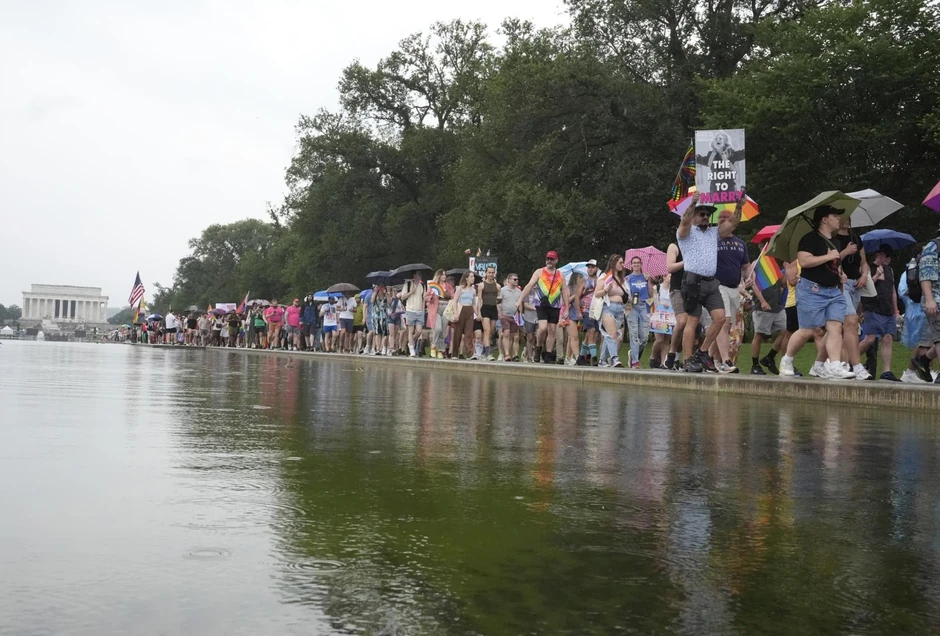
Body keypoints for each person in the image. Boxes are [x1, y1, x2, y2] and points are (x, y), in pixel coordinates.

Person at [779, 205, 856, 379]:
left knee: (835, 327)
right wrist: (828, 257)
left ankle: (835, 365)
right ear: (824, 219)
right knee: (807, 330)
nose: (839, 219)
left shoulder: (834, 241)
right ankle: (787, 360)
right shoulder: (809, 239)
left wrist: (840, 275)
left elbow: (833, 265)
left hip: (833, 291)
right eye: (835, 215)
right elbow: (804, 261)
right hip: (812, 290)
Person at [677, 191, 744, 372]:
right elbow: (684, 222)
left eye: (708, 214)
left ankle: (703, 352)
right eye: (702, 214)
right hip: (692, 281)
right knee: (693, 321)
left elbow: (732, 223)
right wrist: (692, 204)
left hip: (711, 282)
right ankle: (687, 360)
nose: (706, 217)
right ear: (694, 217)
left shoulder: (714, 232)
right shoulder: (686, 233)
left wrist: (738, 206)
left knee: (720, 318)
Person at [832, 215, 872, 379]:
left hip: (857, 285)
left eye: (849, 216)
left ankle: (837, 364)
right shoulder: (832, 239)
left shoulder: (856, 238)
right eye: (843, 217)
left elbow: (864, 262)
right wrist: (846, 252)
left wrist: (864, 276)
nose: (847, 219)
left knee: (849, 327)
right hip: (841, 284)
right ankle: (856, 366)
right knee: (851, 322)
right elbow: (831, 261)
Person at [712, 210, 750, 373]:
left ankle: (709, 357)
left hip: (734, 288)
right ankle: (725, 360)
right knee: (724, 321)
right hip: (717, 285)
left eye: (725, 218)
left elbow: (746, 266)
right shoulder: (712, 239)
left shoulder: (741, 244)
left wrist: (750, 278)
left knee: (725, 327)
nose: (721, 220)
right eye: (720, 218)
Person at [516, 250, 571, 363]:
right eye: (548, 259)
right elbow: (529, 285)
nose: (549, 261)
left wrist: (567, 308)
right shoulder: (539, 272)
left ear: (556, 260)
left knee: (552, 330)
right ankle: (539, 346)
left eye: (551, 259)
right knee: (543, 328)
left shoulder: (560, 275)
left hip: (555, 305)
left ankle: (548, 354)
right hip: (541, 304)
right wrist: (520, 300)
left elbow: (565, 291)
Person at [859, 245, 900, 381]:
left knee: (887, 338)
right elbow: (863, 287)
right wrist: (876, 275)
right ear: (880, 255)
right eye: (886, 256)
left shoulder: (890, 270)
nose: (889, 259)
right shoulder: (868, 269)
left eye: (890, 256)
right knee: (870, 339)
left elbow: (893, 290)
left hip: (887, 309)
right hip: (873, 308)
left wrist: (896, 310)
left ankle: (886, 372)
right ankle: (850, 361)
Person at [911, 229, 940, 384]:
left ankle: (923, 360)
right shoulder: (933, 247)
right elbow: (925, 275)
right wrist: (929, 300)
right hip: (935, 299)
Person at [749, 267, 787, 375]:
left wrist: (789, 269)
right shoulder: (757, 264)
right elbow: (753, 284)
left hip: (777, 307)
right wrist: (762, 301)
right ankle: (755, 365)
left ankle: (770, 357)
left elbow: (782, 284)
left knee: (786, 331)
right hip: (763, 307)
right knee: (759, 335)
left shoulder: (773, 264)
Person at [595, 254, 629, 368]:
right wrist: (605, 289)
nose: (622, 265)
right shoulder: (605, 277)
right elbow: (597, 293)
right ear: (614, 263)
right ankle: (614, 359)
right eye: (620, 262)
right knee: (612, 335)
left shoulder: (622, 279)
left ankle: (602, 360)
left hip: (620, 310)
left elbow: (627, 295)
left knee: (613, 335)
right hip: (608, 308)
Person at [626, 256, 654, 368]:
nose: (636, 264)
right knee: (634, 335)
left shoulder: (646, 277)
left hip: (645, 306)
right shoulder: (627, 279)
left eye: (638, 262)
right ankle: (635, 362)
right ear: (631, 265)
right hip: (632, 306)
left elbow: (651, 294)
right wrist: (629, 300)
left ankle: (632, 355)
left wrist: (649, 281)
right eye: (634, 263)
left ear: (641, 264)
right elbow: (625, 294)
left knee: (644, 338)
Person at [664, 243, 687, 371]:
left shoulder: (697, 246)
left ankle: (682, 358)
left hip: (694, 290)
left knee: (693, 327)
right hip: (677, 289)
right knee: (682, 321)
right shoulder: (674, 246)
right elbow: (670, 267)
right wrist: (686, 261)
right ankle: (672, 353)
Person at [576, 259, 600, 366]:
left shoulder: (600, 280)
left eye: (592, 267)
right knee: (591, 331)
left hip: (596, 310)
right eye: (589, 267)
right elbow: (577, 297)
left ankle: (581, 357)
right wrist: (578, 312)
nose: (590, 269)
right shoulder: (583, 280)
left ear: (597, 268)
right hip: (585, 309)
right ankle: (594, 358)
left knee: (592, 335)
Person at [476, 266, 501, 361]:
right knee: (486, 330)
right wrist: (479, 313)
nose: (491, 274)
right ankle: (488, 352)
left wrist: (500, 312)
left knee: (491, 331)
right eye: (489, 272)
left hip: (493, 309)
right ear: (486, 273)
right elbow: (479, 300)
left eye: (492, 272)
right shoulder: (481, 285)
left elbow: (499, 301)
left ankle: (483, 351)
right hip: (485, 308)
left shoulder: (498, 286)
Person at [450, 271, 477, 359]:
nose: (473, 278)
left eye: (473, 276)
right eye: (471, 276)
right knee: (458, 333)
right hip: (461, 309)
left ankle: (470, 353)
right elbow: (454, 301)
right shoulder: (460, 288)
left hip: (469, 310)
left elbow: (473, 303)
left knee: (469, 333)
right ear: (466, 278)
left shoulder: (473, 290)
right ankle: (454, 353)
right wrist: (456, 313)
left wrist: (478, 313)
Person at [425, 270, 451, 359]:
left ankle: (440, 350)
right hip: (436, 309)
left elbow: (453, 297)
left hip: (446, 309)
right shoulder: (433, 286)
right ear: (438, 276)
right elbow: (426, 297)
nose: (444, 276)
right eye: (442, 274)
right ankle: (433, 346)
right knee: (438, 329)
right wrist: (431, 295)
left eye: (445, 274)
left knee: (443, 332)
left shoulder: (448, 286)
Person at [399, 272, 426, 357]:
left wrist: (423, 309)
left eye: (420, 275)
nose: (419, 276)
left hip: (419, 311)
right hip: (410, 310)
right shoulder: (408, 285)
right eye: (418, 275)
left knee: (419, 331)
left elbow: (424, 298)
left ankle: (411, 342)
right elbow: (403, 297)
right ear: (414, 276)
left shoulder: (423, 285)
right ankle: (411, 350)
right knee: (410, 331)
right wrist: (411, 292)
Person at [497, 273, 523, 362]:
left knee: (514, 336)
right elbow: (498, 302)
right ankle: (507, 354)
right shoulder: (503, 290)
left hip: (515, 316)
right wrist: (500, 313)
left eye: (517, 279)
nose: (516, 281)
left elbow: (520, 304)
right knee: (506, 333)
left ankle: (513, 354)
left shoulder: (518, 291)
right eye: (514, 279)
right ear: (509, 280)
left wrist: (521, 314)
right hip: (505, 315)